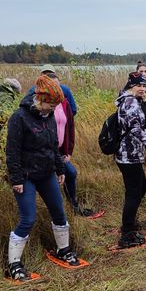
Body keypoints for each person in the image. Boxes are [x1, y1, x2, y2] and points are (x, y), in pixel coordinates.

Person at [5, 75, 84, 281]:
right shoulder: (19, 117)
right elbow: (12, 152)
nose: (53, 108)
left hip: (47, 172)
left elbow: (53, 146)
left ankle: (63, 250)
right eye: (50, 104)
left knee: (59, 212)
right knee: (28, 218)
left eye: (56, 105)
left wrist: (60, 169)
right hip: (26, 176)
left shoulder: (47, 116)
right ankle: (14, 264)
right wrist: (16, 179)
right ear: (39, 98)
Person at [115, 72, 146, 248]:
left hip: (132, 155)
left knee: (140, 189)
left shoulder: (133, 101)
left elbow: (139, 128)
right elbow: (134, 129)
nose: (142, 88)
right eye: (138, 85)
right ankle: (127, 234)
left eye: (144, 85)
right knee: (134, 192)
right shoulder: (130, 102)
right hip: (128, 156)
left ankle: (130, 223)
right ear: (131, 86)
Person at [52, 88, 93, 216]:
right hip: (46, 150)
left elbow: (70, 127)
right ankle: (57, 212)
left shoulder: (65, 103)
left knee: (71, 173)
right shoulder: (44, 105)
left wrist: (68, 151)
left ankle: (73, 206)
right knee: (52, 179)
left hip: (60, 150)